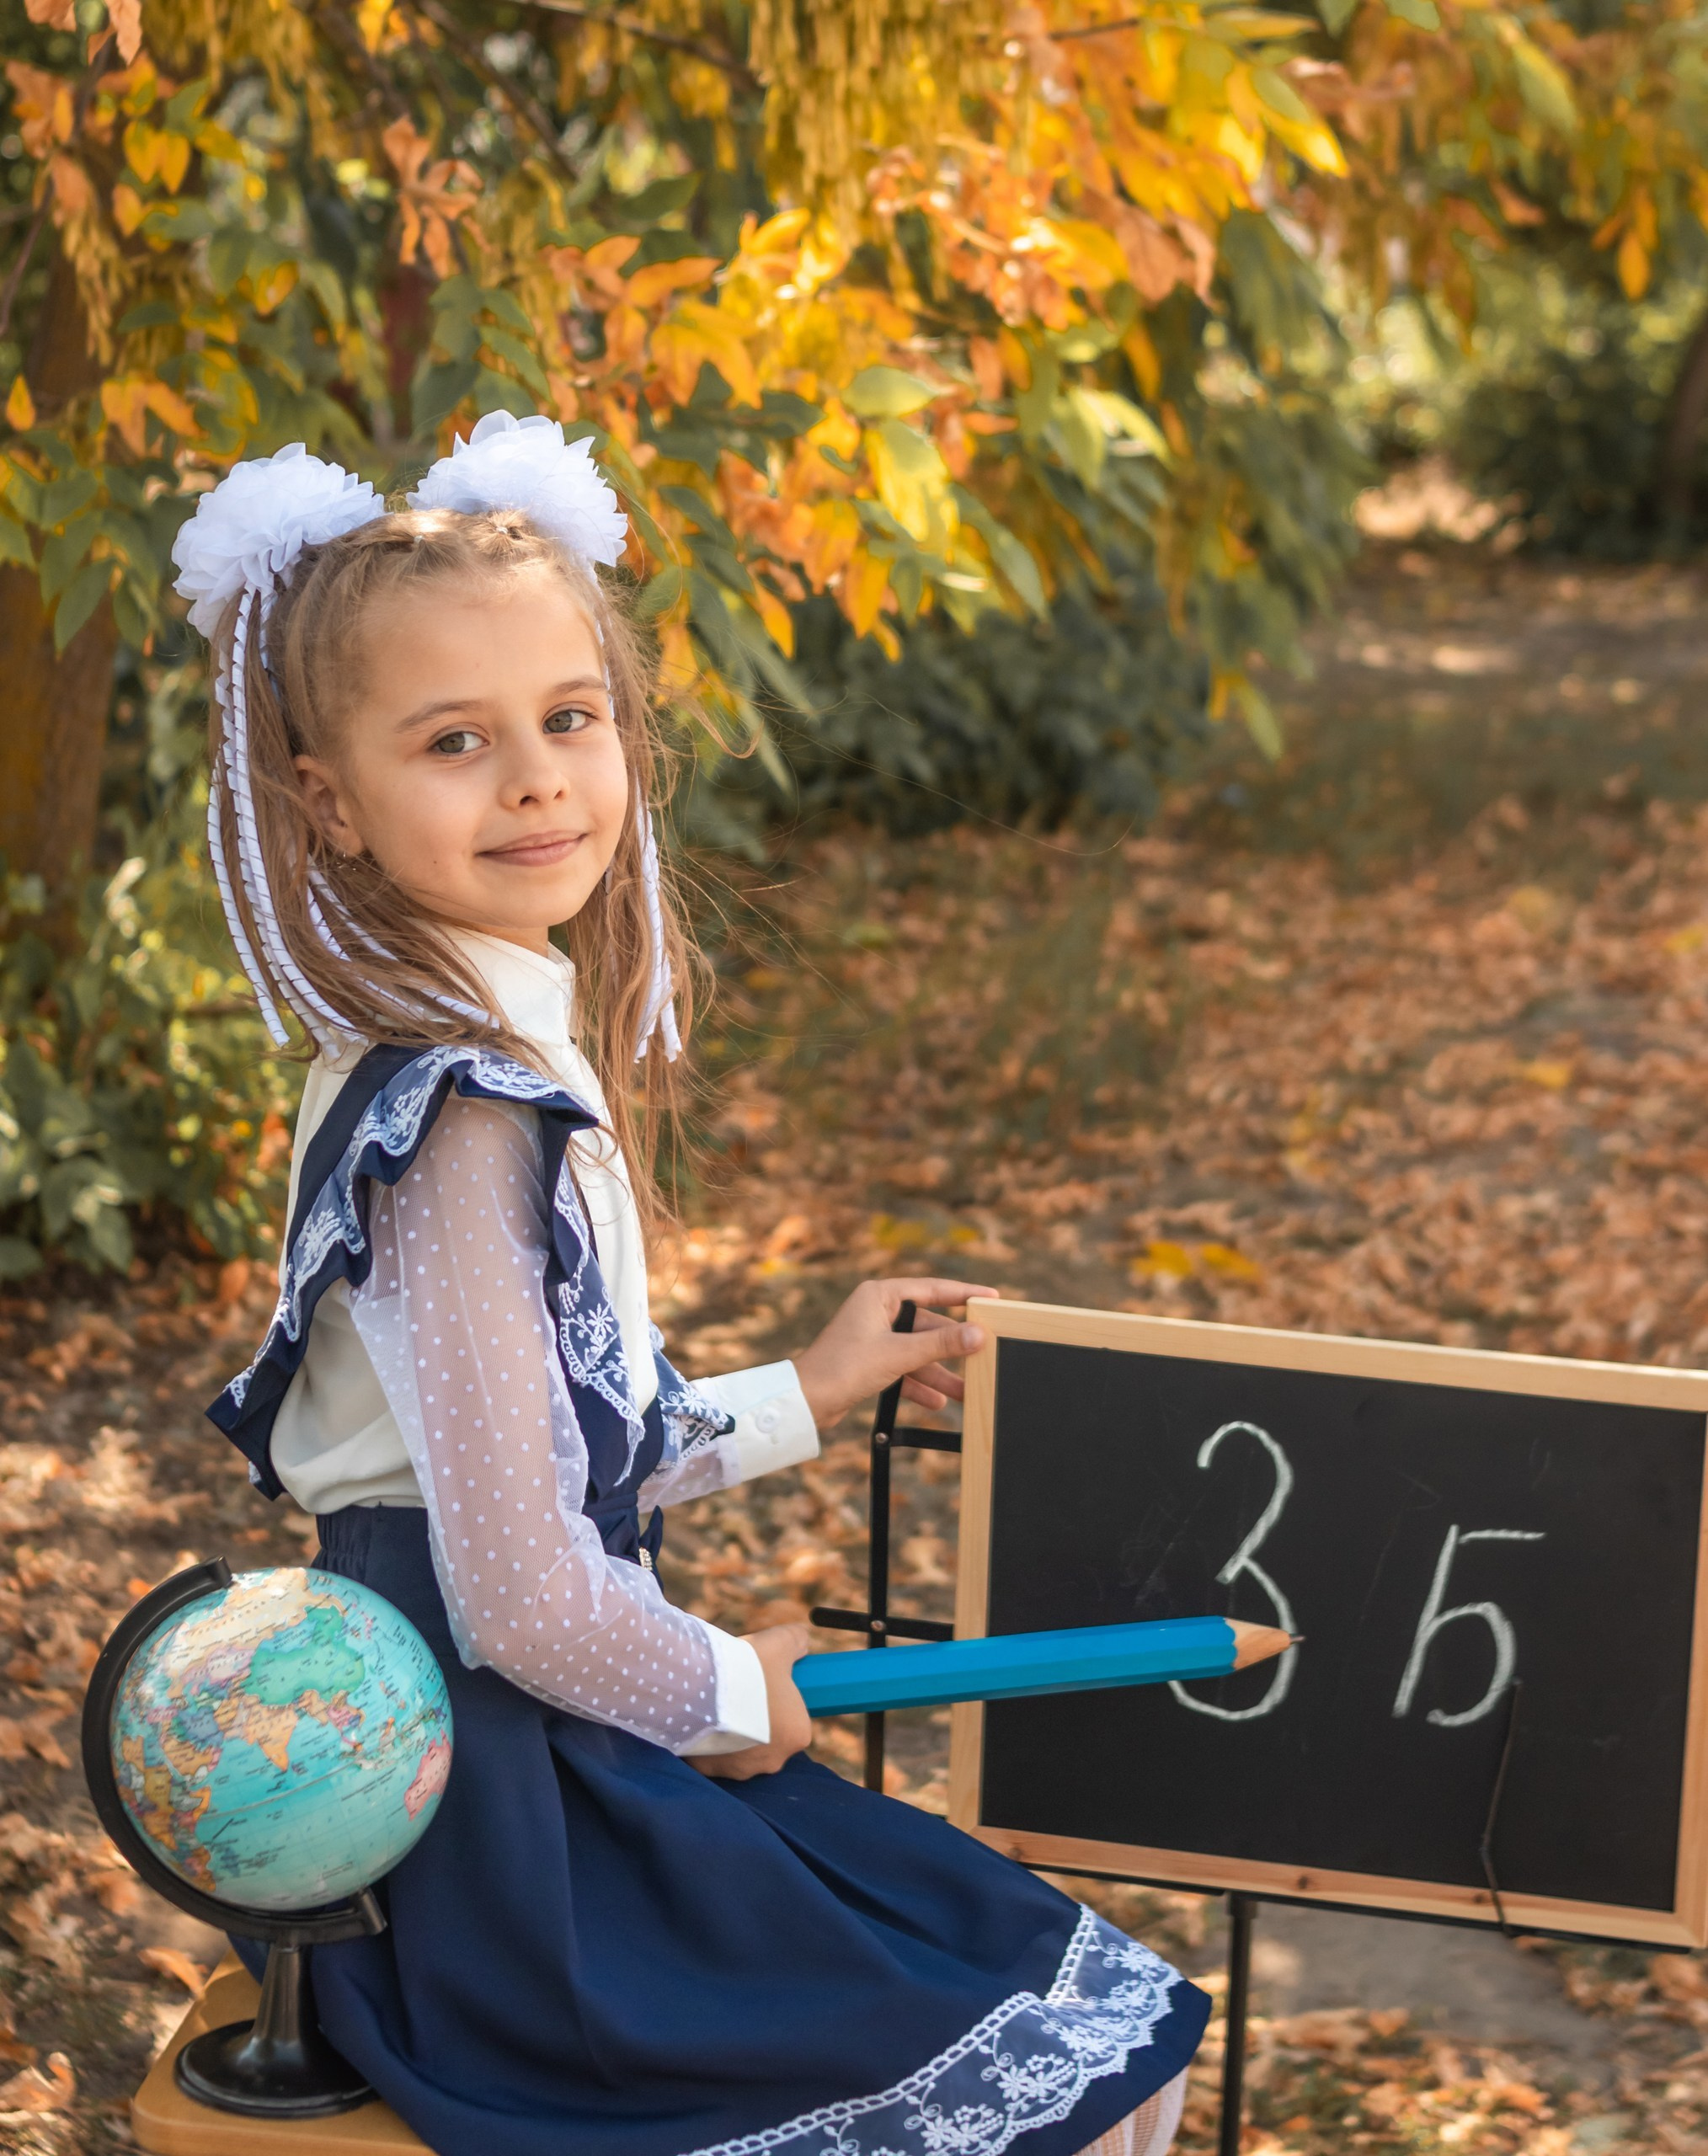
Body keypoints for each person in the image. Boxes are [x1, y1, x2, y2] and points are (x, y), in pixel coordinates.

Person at [175, 414, 1209, 2156]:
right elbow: (519, 1593)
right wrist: (740, 1694)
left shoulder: (455, 1056)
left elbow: (546, 1461)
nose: (536, 779)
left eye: (570, 718)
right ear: (325, 803)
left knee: (1062, 2006)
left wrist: (808, 1387)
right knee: (1079, 2044)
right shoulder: (456, 1116)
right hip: (496, 1802)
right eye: (456, 740)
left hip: (526, 1743)